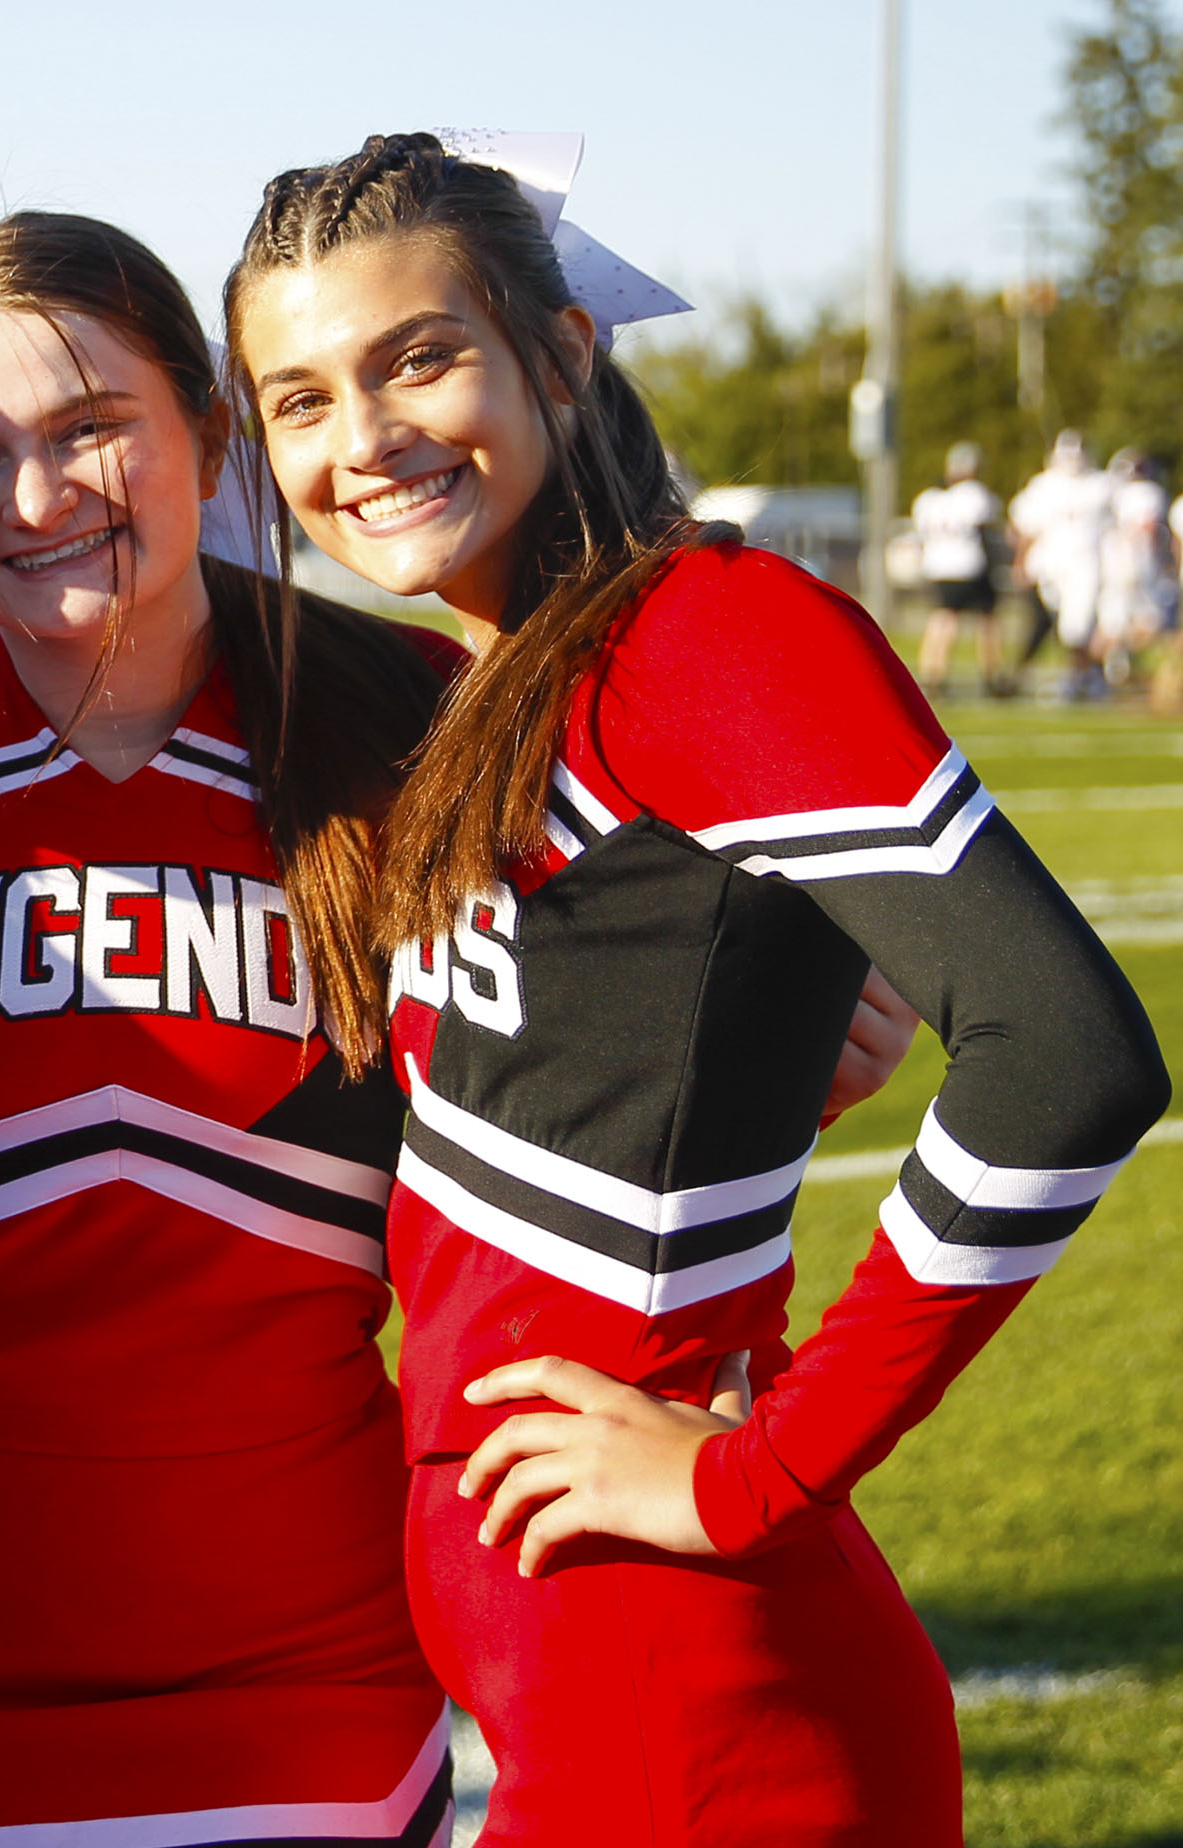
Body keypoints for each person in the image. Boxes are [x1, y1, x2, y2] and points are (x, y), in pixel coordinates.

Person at [226, 130, 1166, 1847]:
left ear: (561, 352)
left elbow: (1069, 1052)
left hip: (692, 1703)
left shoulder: (705, 630)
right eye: (299, 397)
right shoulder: (515, 671)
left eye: (418, 357)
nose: (361, 440)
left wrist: (761, 1471)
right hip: (592, 1681)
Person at [0, 211, 462, 1845]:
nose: (32, 499)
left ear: (209, 431)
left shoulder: (410, 715)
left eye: (88, 432)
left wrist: (790, 1019)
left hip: (305, 1658)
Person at [1009, 429, 1112, 697]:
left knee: (1077, 626)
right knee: (1057, 626)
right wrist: (1020, 563)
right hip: (1049, 568)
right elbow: (1026, 527)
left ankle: (1079, 676)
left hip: (1087, 565)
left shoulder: (1100, 485)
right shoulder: (1043, 486)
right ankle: (1077, 676)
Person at [909, 441, 1006, 695]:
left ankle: (932, 673)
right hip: (969, 565)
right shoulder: (975, 495)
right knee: (987, 621)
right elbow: (985, 530)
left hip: (938, 567)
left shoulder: (930, 500)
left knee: (942, 619)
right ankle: (991, 674)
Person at [1096, 447, 1174, 690]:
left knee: (1111, 626)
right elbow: (1148, 528)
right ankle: (1117, 660)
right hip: (1139, 566)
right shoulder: (1147, 494)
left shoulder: (1111, 494)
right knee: (1155, 624)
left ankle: (1102, 669)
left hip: (1112, 567)